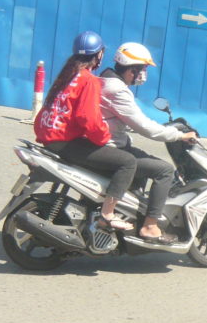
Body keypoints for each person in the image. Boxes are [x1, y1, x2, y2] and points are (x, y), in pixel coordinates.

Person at [34, 31, 137, 232]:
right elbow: (88, 117)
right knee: (127, 162)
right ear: (99, 55)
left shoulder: (67, 75)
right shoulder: (88, 80)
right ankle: (107, 215)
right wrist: (104, 138)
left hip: (49, 138)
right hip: (66, 142)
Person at [98, 42, 197, 244]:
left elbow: (123, 119)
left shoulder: (105, 80)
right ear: (131, 67)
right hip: (109, 147)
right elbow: (146, 128)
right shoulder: (117, 90)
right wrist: (179, 136)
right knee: (165, 170)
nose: (144, 73)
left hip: (106, 142)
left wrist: (155, 127)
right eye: (142, 68)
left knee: (142, 159)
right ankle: (150, 227)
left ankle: (129, 213)